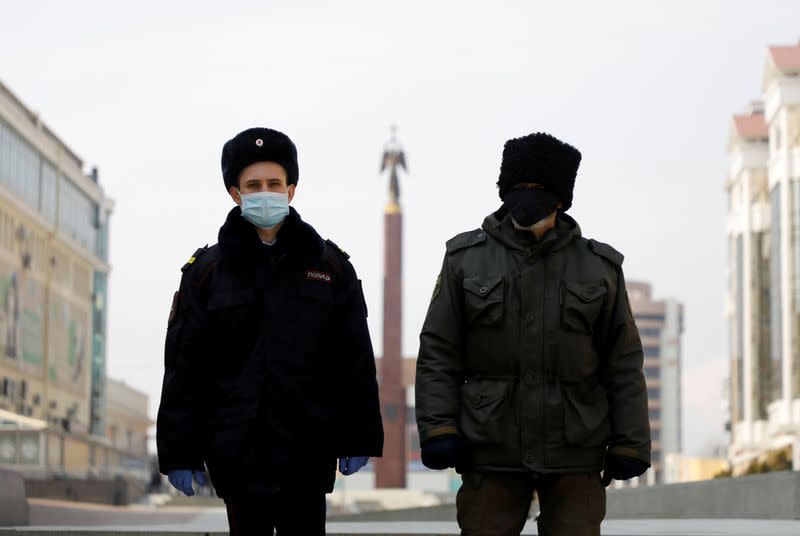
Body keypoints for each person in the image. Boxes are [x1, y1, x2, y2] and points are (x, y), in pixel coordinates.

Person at [415, 132, 650, 536]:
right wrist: (439, 428)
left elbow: (623, 363)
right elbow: (438, 351)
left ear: (560, 198)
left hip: (576, 450)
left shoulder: (600, 268)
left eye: (538, 190)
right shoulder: (464, 260)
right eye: (518, 189)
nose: (527, 199)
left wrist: (631, 442)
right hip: (490, 449)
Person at [156, 127, 383, 535]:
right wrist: (179, 450)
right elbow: (184, 369)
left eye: (274, 183)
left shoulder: (330, 268)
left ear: (291, 189)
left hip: (309, 450)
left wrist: (359, 436)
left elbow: (353, 360)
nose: (266, 192)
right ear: (235, 193)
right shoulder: (206, 273)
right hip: (236, 453)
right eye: (253, 185)